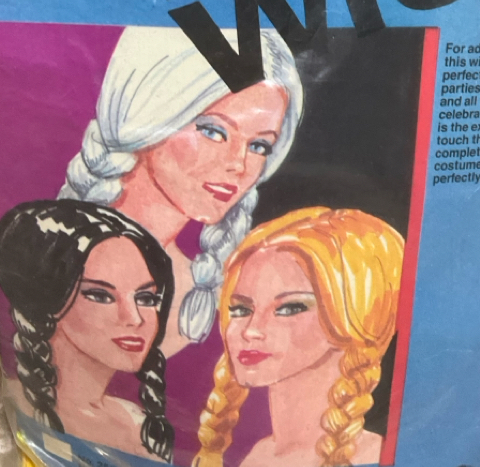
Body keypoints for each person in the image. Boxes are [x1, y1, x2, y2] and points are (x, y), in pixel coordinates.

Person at [59, 26, 303, 353]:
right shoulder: (53, 259)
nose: (239, 164)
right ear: (146, 113)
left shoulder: (207, 292)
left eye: (259, 145)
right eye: (214, 131)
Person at [193, 207, 404, 467]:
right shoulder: (257, 456)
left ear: (356, 316)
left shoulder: (375, 458)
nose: (251, 330)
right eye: (241, 309)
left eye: (289, 308)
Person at [0, 199, 175, 462]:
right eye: (100, 295)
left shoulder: (137, 424)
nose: (134, 318)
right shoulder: (18, 403)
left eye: (146, 298)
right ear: (48, 299)